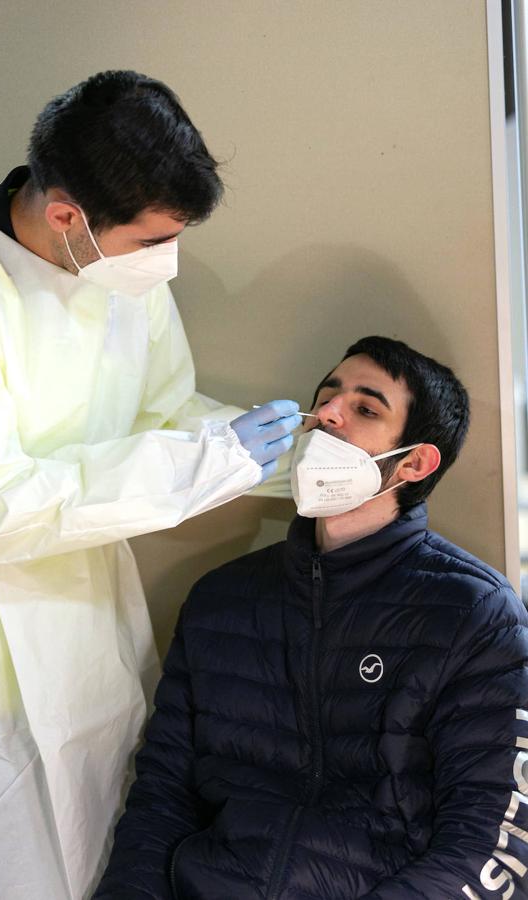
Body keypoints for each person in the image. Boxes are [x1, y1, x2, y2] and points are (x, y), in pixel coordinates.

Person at [0, 71, 300, 900]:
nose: (166, 262)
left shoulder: (118, 274)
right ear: (67, 213)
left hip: (86, 626)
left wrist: (298, 460)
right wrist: (208, 462)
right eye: (153, 241)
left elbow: (164, 410)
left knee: (97, 847)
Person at [96, 335, 528, 900]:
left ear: (414, 463)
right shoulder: (221, 600)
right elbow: (162, 798)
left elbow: (494, 840)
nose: (328, 415)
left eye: (365, 409)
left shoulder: (473, 614)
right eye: (327, 397)